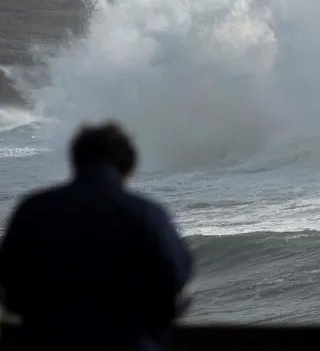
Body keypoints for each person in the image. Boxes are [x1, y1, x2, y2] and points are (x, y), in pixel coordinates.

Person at [0, 121, 194, 351]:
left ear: (76, 161)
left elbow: (9, 288)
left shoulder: (33, 209)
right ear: (128, 166)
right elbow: (176, 280)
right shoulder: (147, 214)